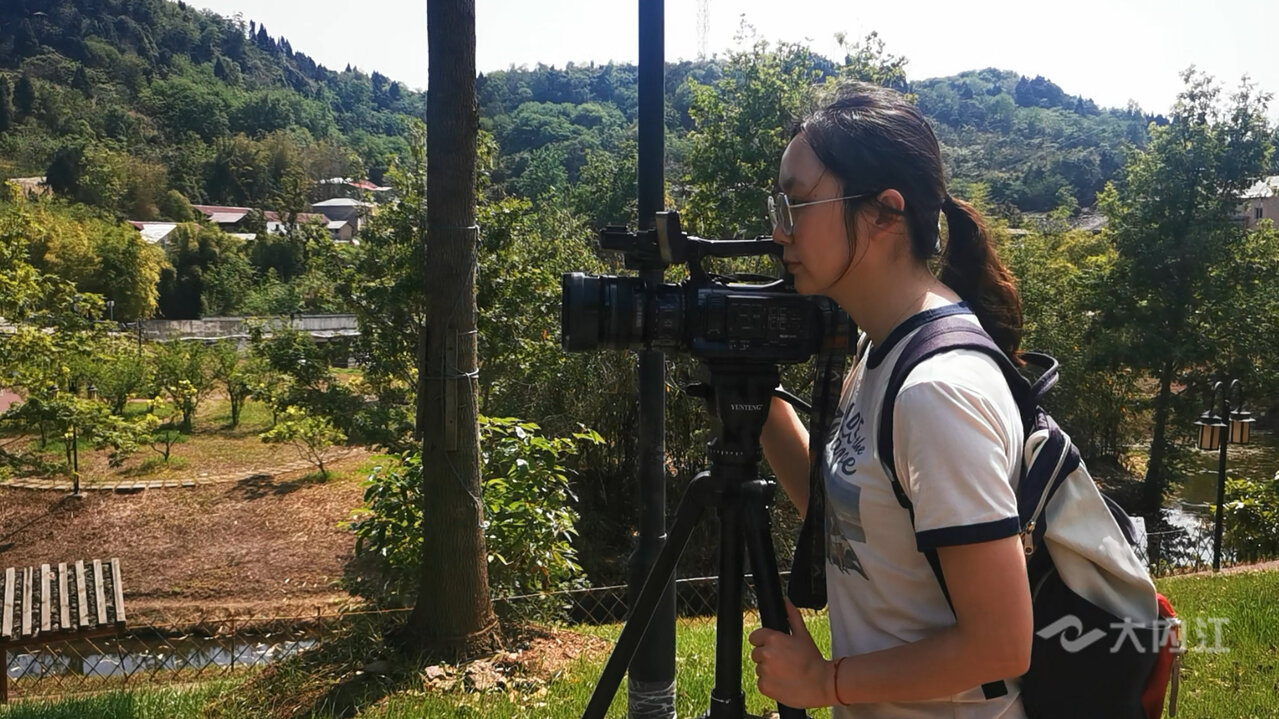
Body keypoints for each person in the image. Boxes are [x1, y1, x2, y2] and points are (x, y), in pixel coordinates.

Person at [750, 82, 1034, 718]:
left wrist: (825, 683)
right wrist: (756, 400)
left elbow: (1000, 643)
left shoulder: (938, 392)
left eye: (797, 204)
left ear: (883, 212)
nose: (778, 231)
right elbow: (861, 523)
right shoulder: (879, 350)